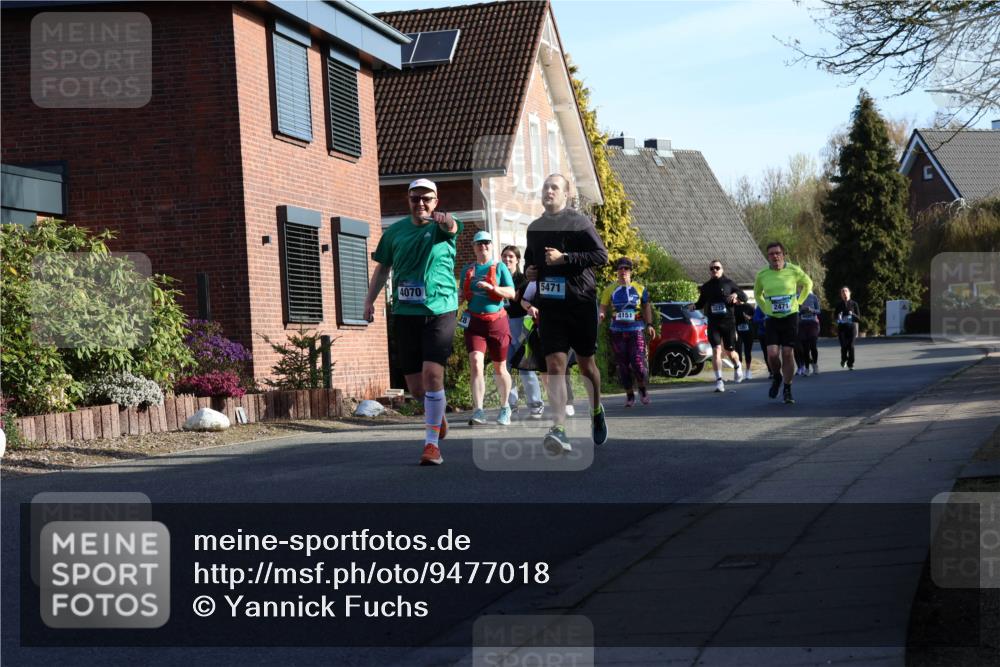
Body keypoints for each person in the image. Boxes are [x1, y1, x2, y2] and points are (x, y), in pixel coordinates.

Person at [363, 179, 461, 466]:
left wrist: (446, 221)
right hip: (406, 313)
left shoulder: (441, 228)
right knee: (418, 389)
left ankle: (431, 445)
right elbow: (383, 268)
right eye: (415, 198)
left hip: (440, 309)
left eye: (427, 199)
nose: (421, 203)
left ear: (436, 201)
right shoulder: (394, 232)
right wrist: (369, 300)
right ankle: (436, 414)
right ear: (408, 201)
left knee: (433, 375)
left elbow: (453, 227)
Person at [524, 174, 609, 454]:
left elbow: (601, 256)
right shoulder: (534, 228)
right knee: (555, 367)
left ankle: (596, 409)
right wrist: (530, 272)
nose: (548, 191)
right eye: (545, 187)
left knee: (587, 367)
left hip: (580, 303)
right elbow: (529, 261)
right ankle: (558, 428)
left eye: (554, 187)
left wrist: (566, 258)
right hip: (551, 308)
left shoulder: (579, 223)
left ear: (566, 194)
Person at [460, 231, 516, 426]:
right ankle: (478, 410)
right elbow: (461, 294)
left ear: (491, 246)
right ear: (474, 247)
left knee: (500, 367)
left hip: (497, 322)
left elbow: (511, 293)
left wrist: (492, 289)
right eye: (479, 243)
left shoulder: (500, 267)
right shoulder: (467, 270)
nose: (483, 246)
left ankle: (505, 407)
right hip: (474, 323)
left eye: (486, 243)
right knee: (476, 363)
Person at [753, 242, 813, 404]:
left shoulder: (793, 270)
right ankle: (777, 376)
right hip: (772, 318)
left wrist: (799, 302)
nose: (775, 256)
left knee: (787, 353)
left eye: (777, 253)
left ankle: (787, 388)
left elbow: (808, 284)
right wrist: (765, 309)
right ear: (768, 257)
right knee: (772, 354)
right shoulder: (762, 274)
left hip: (790, 317)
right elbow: (757, 293)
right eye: (771, 254)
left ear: (783, 254)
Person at [599, 257, 655, 406]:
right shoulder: (609, 289)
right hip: (617, 330)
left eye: (626, 268)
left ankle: (642, 389)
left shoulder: (640, 288)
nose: (623, 271)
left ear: (631, 271)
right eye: (620, 268)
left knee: (637, 363)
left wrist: (649, 324)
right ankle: (629, 395)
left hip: (636, 329)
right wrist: (601, 315)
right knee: (622, 365)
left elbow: (646, 306)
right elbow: (603, 307)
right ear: (617, 271)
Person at [501, 245, 544, 419]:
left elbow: (527, 301)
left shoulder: (523, 280)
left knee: (525, 366)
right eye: (504, 256)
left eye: (511, 257)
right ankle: (511, 404)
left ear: (517, 260)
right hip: (501, 324)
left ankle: (536, 404)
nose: (507, 260)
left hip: (520, 324)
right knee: (506, 366)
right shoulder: (497, 279)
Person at [693, 261, 748, 392]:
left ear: (722, 269)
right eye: (712, 268)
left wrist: (735, 294)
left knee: (730, 352)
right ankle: (719, 381)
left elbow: (744, 297)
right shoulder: (706, 287)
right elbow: (700, 303)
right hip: (713, 323)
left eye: (717, 268)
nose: (714, 270)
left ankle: (738, 365)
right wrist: (693, 306)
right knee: (716, 350)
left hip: (728, 322)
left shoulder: (729, 283)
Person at [835, 286, 862, 370]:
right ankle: (844, 359)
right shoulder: (839, 305)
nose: (844, 293)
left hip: (851, 328)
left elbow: (858, 318)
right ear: (841, 295)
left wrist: (852, 314)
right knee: (844, 346)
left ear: (849, 293)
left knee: (851, 346)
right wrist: (838, 318)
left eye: (846, 291)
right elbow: (835, 318)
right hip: (842, 329)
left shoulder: (854, 304)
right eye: (842, 292)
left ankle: (851, 364)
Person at [796, 291, 822, 376]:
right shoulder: (797, 297)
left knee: (813, 345)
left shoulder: (813, 297)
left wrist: (811, 310)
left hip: (813, 323)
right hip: (802, 325)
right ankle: (807, 368)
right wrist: (801, 311)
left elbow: (819, 311)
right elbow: (795, 311)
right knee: (805, 348)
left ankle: (815, 364)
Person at [734, 301, 755, 380]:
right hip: (737, 332)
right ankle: (739, 371)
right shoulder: (733, 307)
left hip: (748, 331)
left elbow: (754, 316)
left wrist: (749, 317)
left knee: (747, 352)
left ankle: (748, 371)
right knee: (738, 351)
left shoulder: (748, 306)